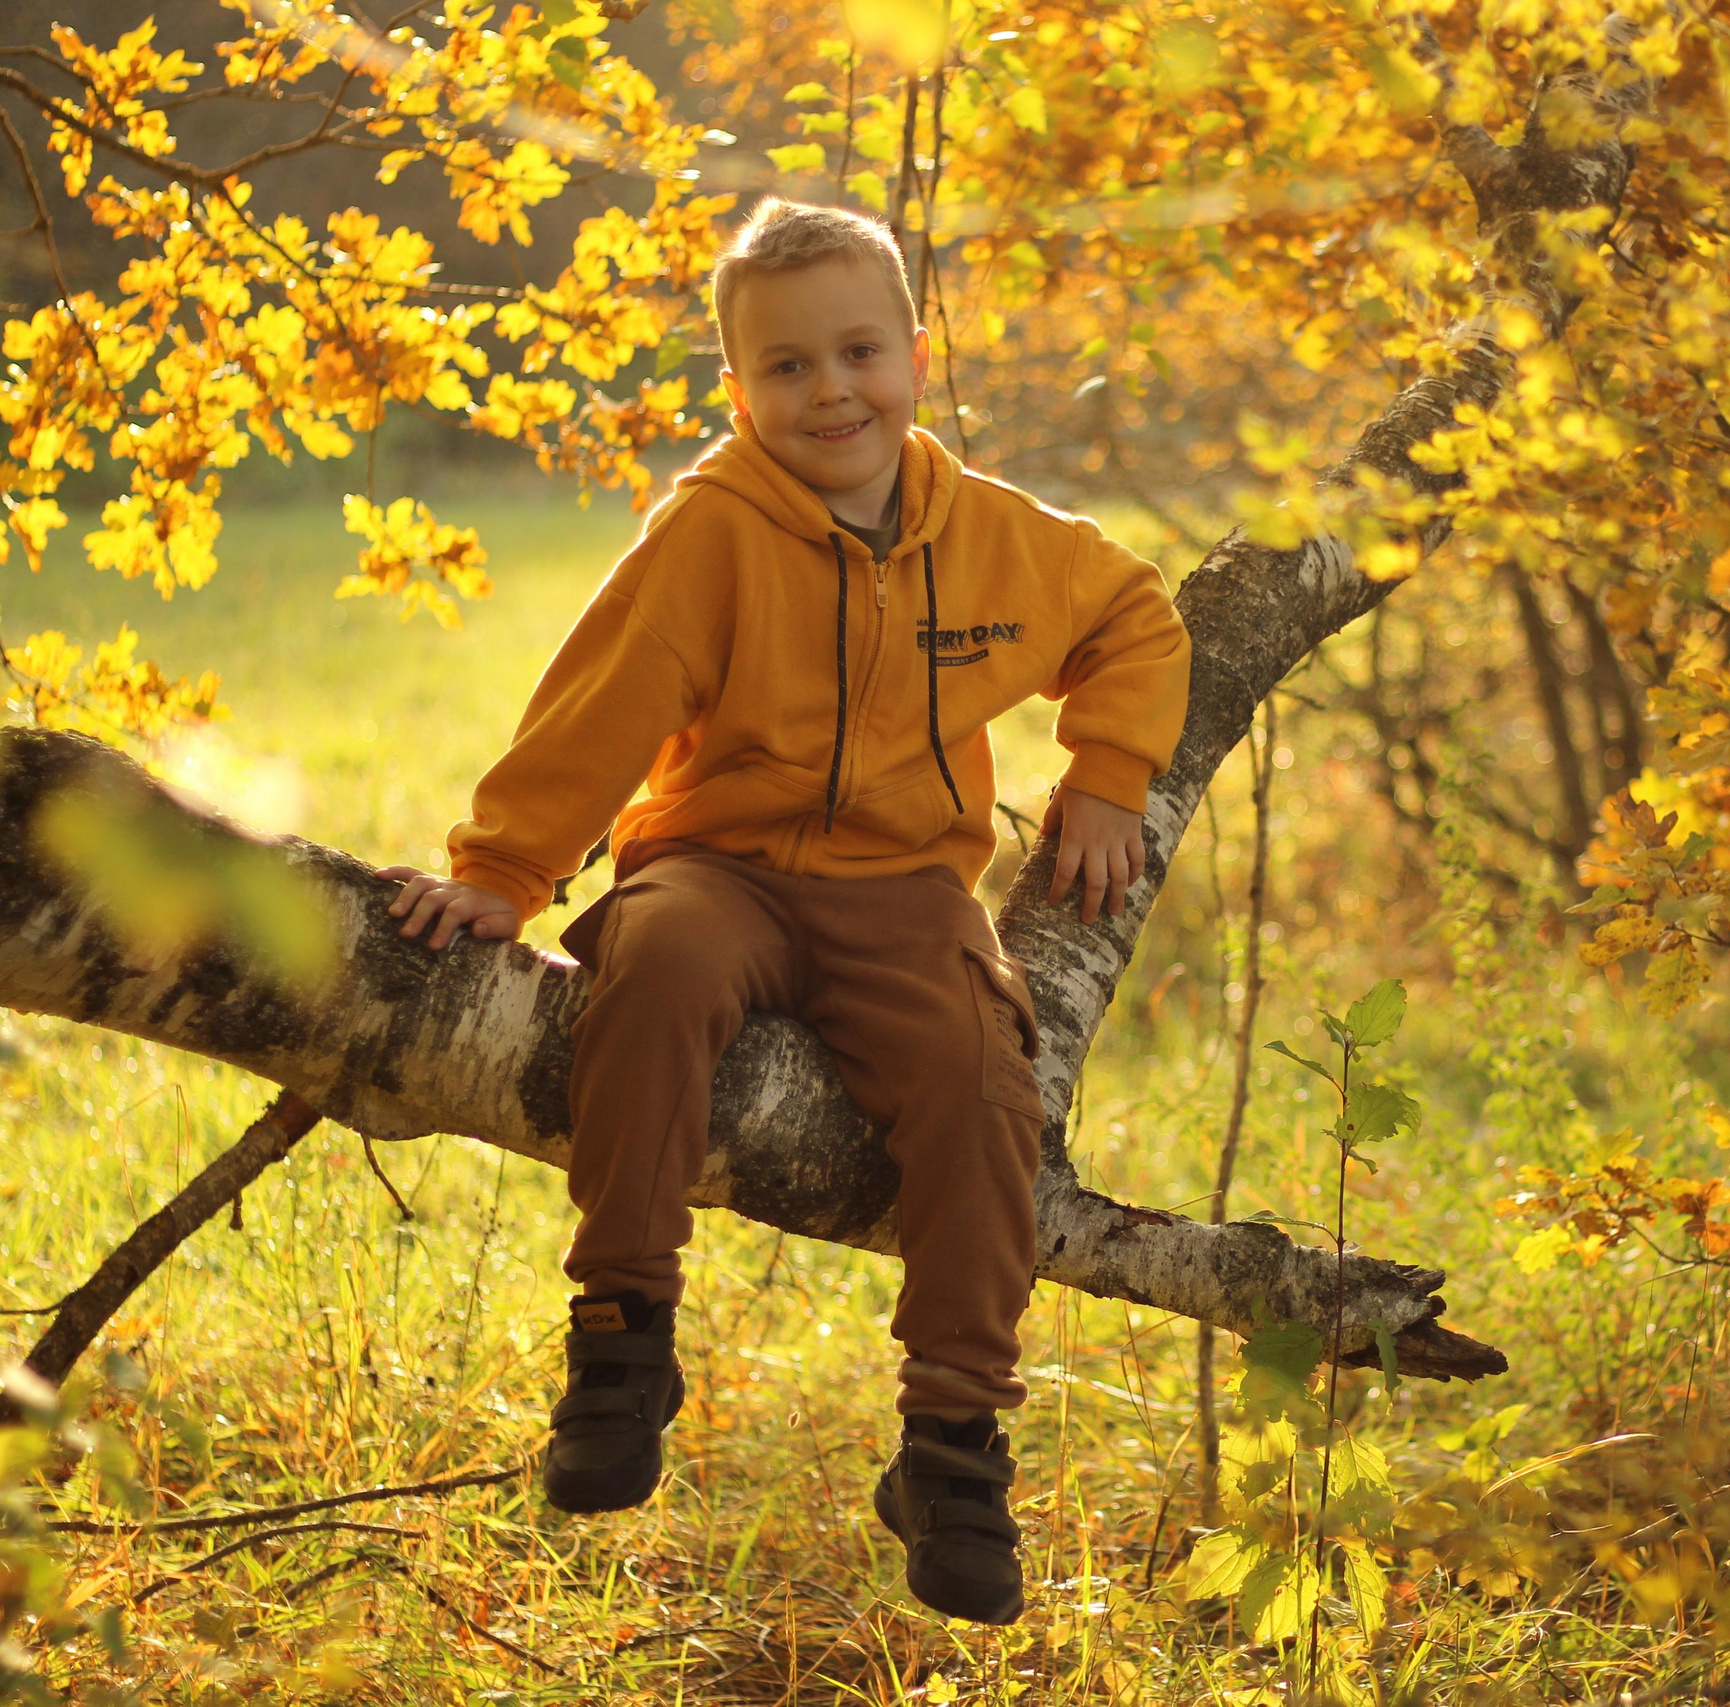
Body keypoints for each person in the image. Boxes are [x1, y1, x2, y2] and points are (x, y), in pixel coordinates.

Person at [377, 198, 1191, 1626]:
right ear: (739, 388)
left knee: (981, 1077)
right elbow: (601, 705)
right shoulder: (710, 533)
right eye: (789, 367)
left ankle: (952, 1444)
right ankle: (621, 1337)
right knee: (658, 969)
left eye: (859, 352)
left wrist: (1109, 777)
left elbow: (1135, 614)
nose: (832, 392)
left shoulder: (995, 537)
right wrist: (502, 874)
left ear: (916, 357)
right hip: (719, 864)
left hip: (905, 891)